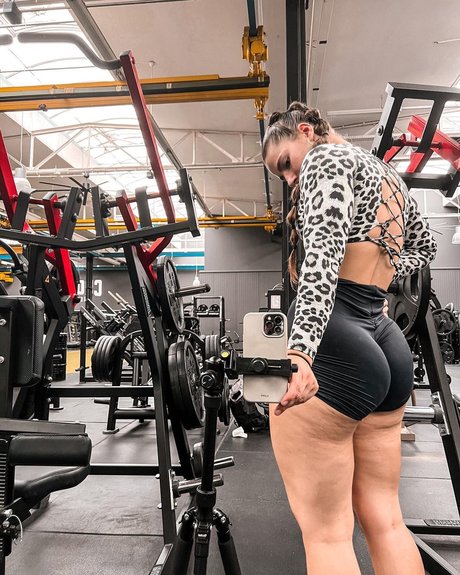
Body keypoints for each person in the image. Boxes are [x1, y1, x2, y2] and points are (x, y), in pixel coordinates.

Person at [262, 101, 437, 575]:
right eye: (282, 175)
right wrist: (383, 274)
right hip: (385, 340)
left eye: (286, 163)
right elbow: (424, 246)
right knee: (387, 520)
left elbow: (321, 258)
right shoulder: (388, 175)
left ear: (305, 131)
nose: (290, 179)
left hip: (336, 336)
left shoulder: (324, 159)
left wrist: (300, 353)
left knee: (327, 533)